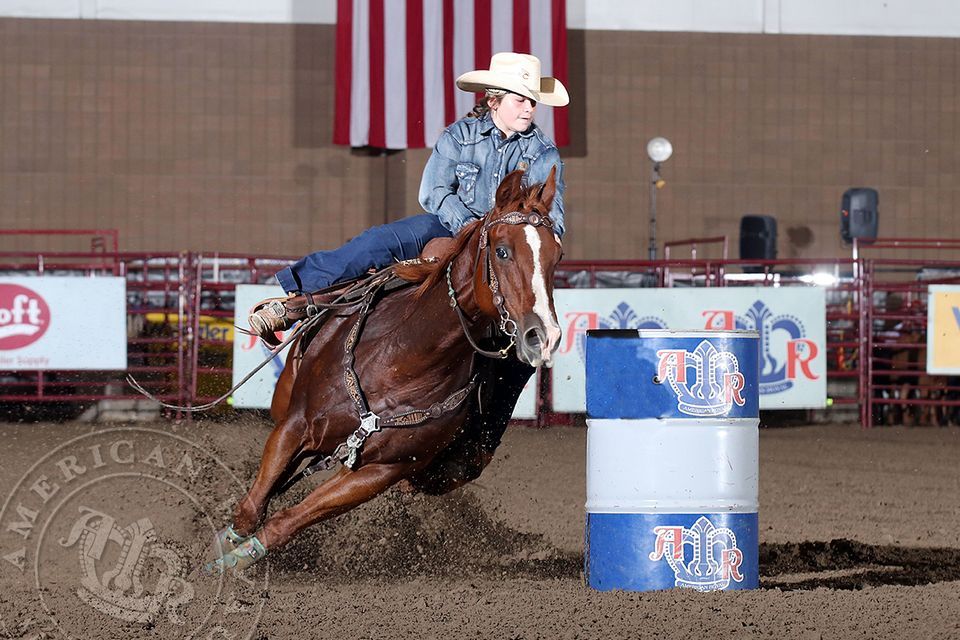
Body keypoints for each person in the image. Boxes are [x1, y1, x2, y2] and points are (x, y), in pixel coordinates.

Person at [247, 51, 568, 337]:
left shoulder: (543, 154)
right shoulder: (460, 136)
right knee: (377, 242)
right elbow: (433, 192)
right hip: (448, 225)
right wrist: (472, 228)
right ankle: (297, 299)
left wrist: (533, 239)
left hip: (510, 241)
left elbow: (551, 217)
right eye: (520, 100)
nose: (528, 109)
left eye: (531, 101)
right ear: (495, 100)